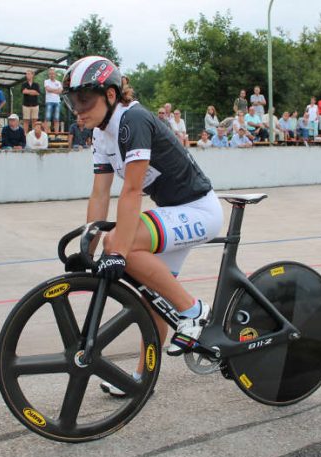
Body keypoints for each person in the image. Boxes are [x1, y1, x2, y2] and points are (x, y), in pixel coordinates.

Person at [61, 57, 222, 397]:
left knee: (123, 243)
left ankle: (194, 311)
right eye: (71, 102)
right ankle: (143, 378)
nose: (77, 110)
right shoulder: (100, 134)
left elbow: (132, 190)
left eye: (83, 100)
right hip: (175, 211)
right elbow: (100, 191)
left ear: (109, 93)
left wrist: (117, 249)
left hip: (198, 210)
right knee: (153, 300)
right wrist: (88, 242)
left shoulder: (131, 119)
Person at [44, 68, 63, 133]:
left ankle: (56, 134)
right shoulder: (46, 81)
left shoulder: (58, 82)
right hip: (49, 101)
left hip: (57, 102)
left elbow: (60, 91)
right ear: (49, 75)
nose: (52, 75)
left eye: (53, 73)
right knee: (47, 118)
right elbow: (48, 89)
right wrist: (56, 90)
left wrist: (52, 90)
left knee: (57, 119)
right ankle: (46, 134)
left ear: (55, 74)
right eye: (50, 74)